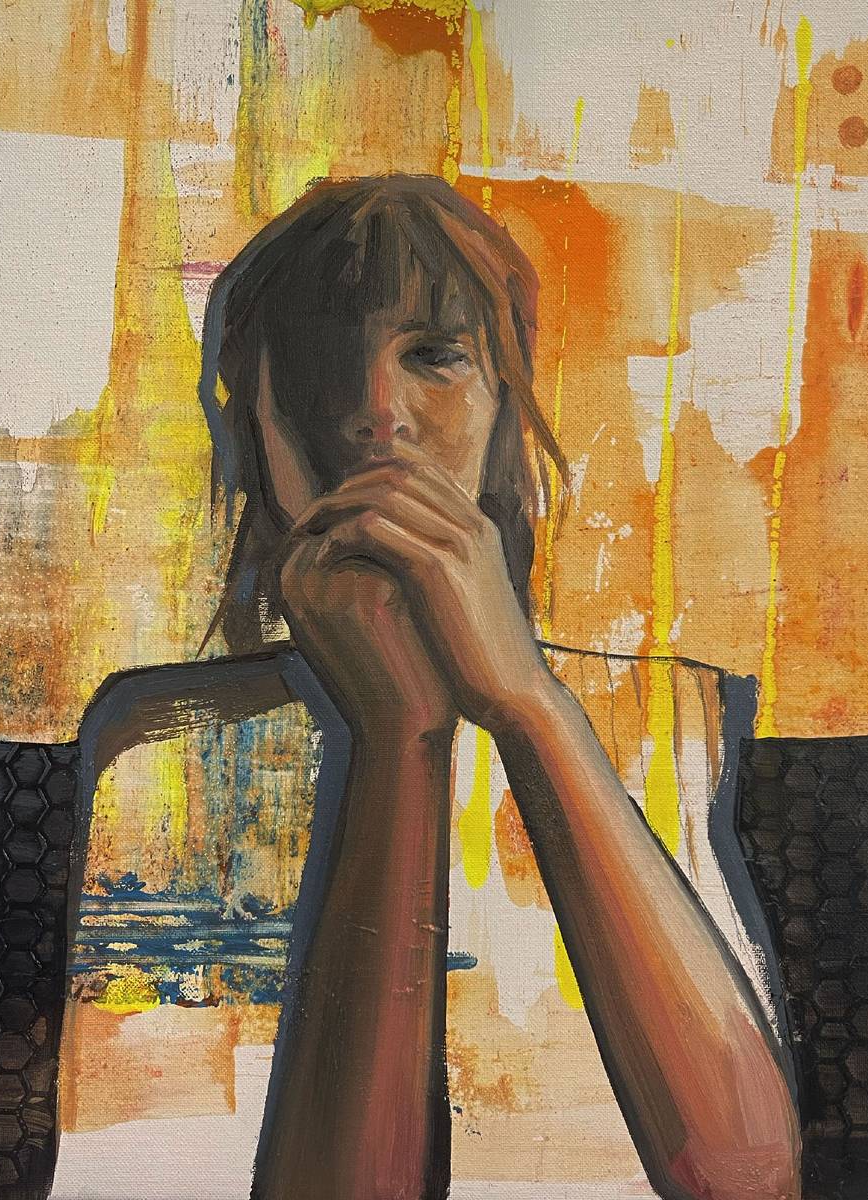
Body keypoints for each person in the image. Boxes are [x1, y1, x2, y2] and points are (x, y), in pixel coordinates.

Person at [197, 173, 801, 1200]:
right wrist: (395, 736)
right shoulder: (162, 749)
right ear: (250, 412)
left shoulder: (657, 721)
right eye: (313, 352)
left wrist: (525, 701)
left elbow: (748, 1179)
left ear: (502, 409)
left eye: (434, 355)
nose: (374, 414)